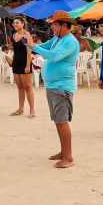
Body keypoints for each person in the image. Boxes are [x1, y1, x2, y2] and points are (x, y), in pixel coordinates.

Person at [25, 10, 79, 169]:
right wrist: (30, 42)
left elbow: (54, 56)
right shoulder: (58, 38)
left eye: (54, 24)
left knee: (62, 122)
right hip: (54, 86)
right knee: (58, 121)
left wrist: (33, 45)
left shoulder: (70, 41)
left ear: (63, 25)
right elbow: (42, 47)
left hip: (62, 87)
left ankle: (68, 157)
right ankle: (63, 152)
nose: (52, 28)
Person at [7, 15, 36, 118]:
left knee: (28, 87)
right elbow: (16, 50)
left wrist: (28, 65)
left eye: (17, 23)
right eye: (14, 23)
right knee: (19, 87)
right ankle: (20, 109)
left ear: (23, 24)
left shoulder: (26, 35)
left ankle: (32, 111)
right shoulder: (14, 35)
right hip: (16, 63)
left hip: (25, 63)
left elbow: (29, 51)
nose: (15, 24)